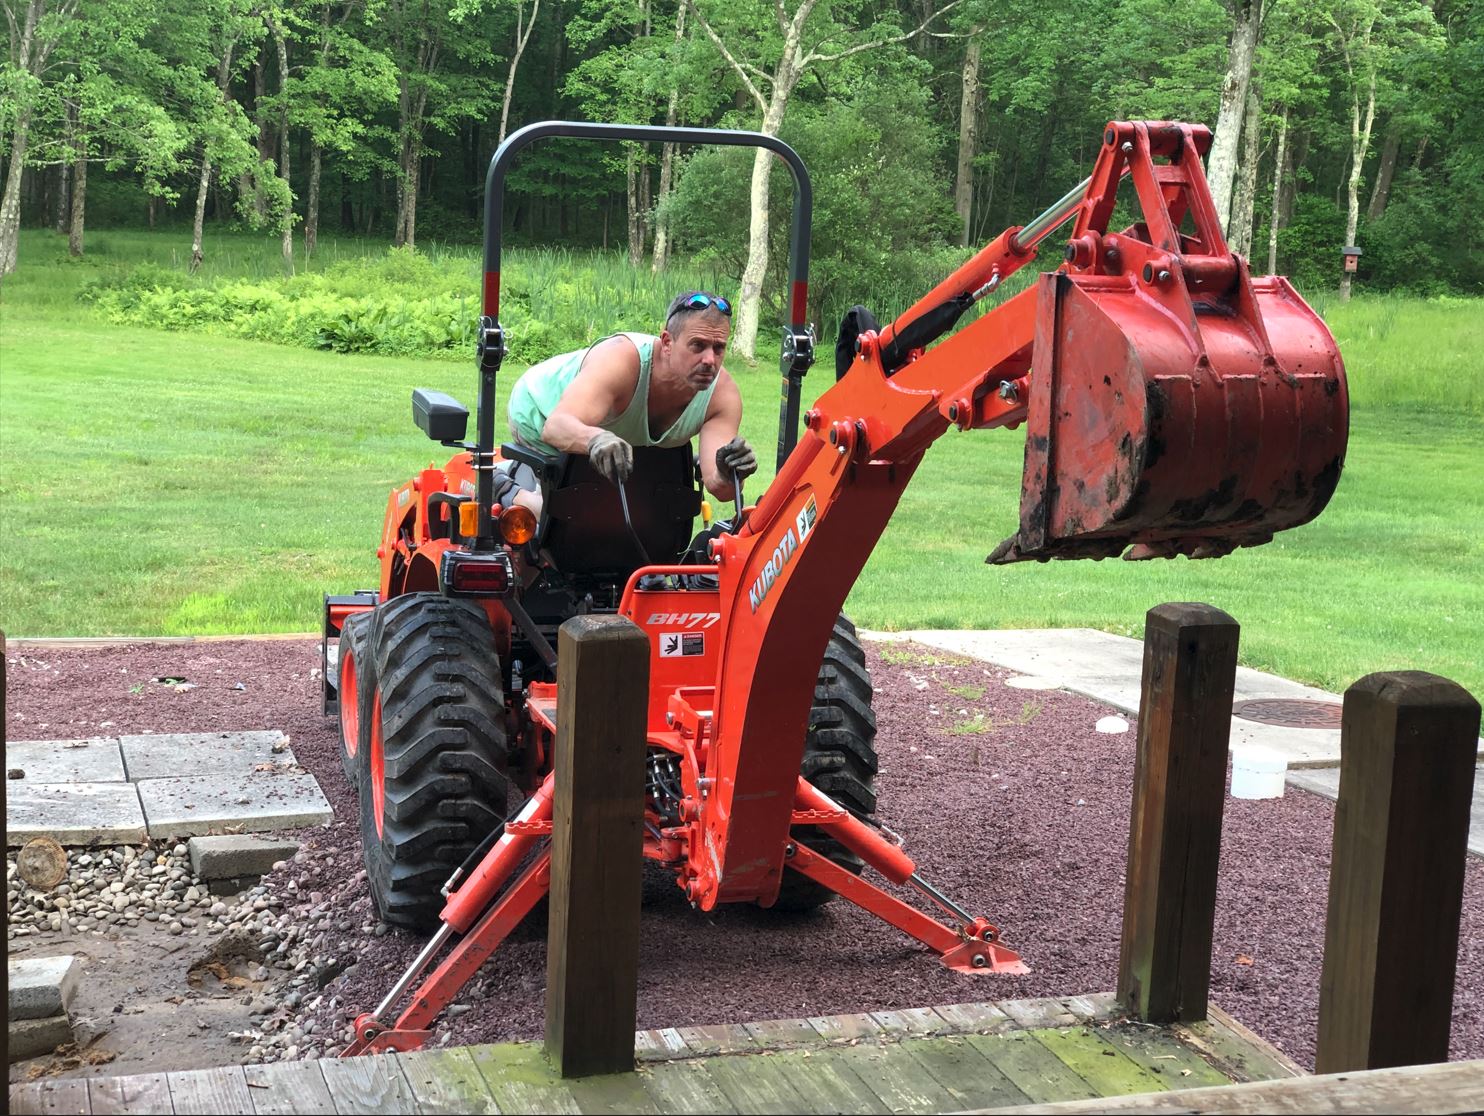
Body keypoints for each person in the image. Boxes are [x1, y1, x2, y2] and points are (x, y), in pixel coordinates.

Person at [499, 291, 757, 513]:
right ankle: (506, 487)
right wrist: (596, 439)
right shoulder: (621, 360)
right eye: (698, 346)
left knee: (635, 516)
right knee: (570, 516)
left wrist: (730, 471)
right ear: (667, 342)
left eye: (718, 348)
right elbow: (556, 427)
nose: (710, 360)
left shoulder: (722, 395)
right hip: (538, 410)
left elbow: (719, 488)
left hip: (613, 433)